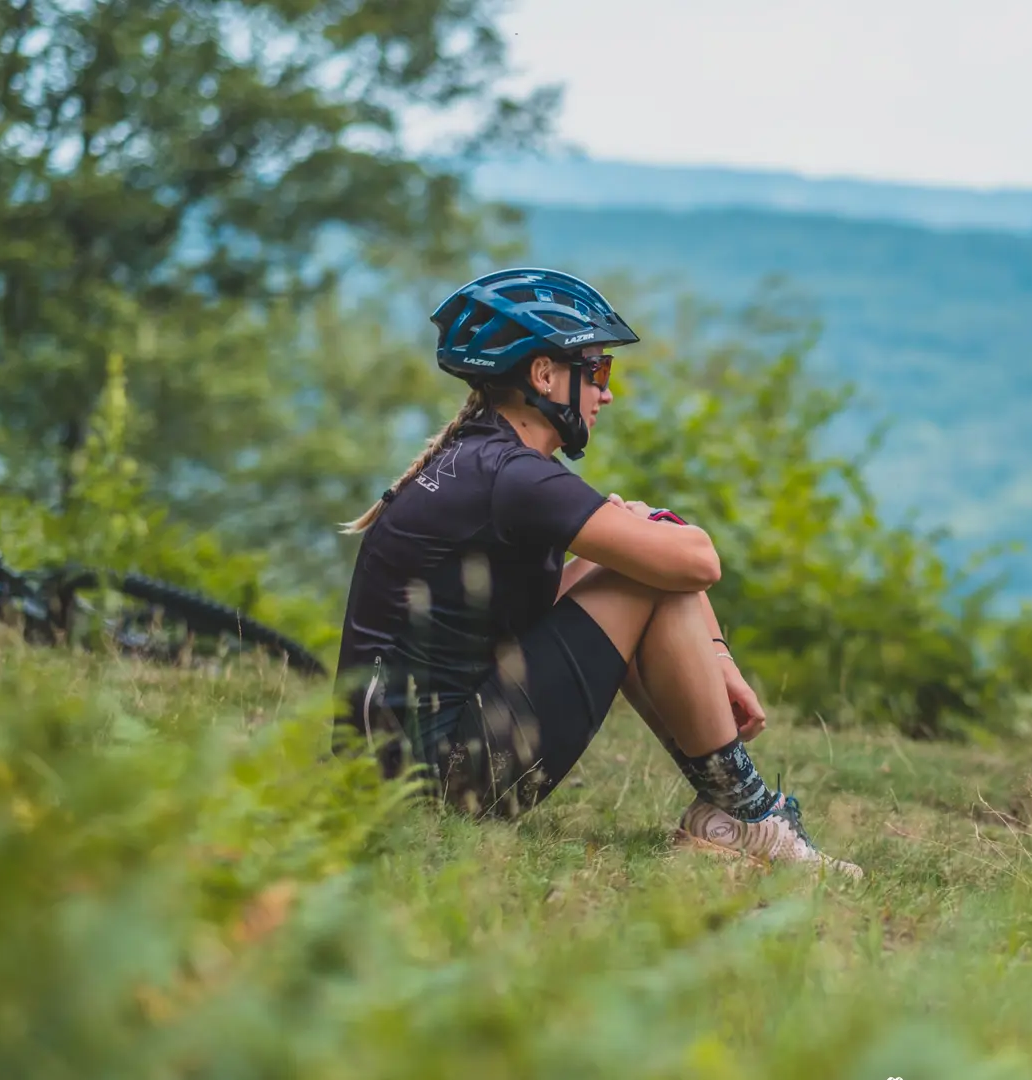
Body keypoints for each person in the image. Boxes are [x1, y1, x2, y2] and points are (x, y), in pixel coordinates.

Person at [333, 267, 860, 878]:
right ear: (544, 375)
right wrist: (656, 532)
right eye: (598, 370)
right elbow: (698, 562)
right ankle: (746, 813)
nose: (605, 394)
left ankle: (736, 813)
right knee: (643, 571)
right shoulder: (515, 477)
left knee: (634, 552)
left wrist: (714, 655)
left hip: (397, 775)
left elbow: (586, 584)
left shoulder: (479, 460)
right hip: (444, 786)